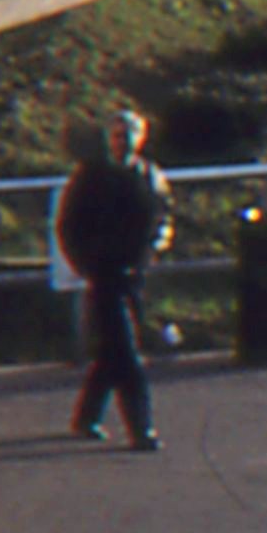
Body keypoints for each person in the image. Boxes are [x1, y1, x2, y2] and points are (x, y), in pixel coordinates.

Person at [56, 105, 170, 450]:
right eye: (119, 135)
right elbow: (68, 224)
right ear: (109, 138)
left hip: (133, 272)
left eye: (131, 135)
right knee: (127, 352)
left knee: (111, 351)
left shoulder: (150, 176)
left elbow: (162, 218)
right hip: (103, 273)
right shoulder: (90, 176)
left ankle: (86, 417)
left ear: (142, 138)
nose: (124, 142)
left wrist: (154, 248)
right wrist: (85, 263)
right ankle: (141, 428)